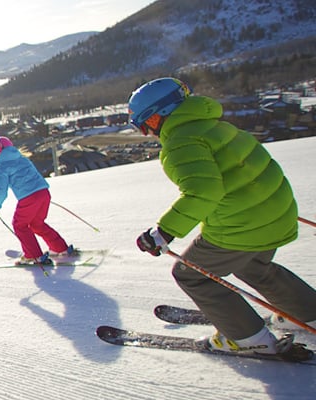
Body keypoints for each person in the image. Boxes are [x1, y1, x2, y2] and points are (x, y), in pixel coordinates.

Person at [129, 77, 316, 360]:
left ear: (160, 114)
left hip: (244, 224)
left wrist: (164, 232)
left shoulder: (181, 142)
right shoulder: (216, 126)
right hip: (277, 213)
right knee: (254, 266)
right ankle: (307, 313)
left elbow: (203, 192)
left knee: (191, 275)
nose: (147, 133)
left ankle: (249, 339)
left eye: (145, 124)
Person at [0, 136, 75, 265]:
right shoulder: (24, 160)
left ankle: (33, 256)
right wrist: (39, 194)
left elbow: (2, 191)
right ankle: (60, 248)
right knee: (37, 224)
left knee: (19, 225)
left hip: (28, 198)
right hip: (44, 193)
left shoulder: (2, 168)